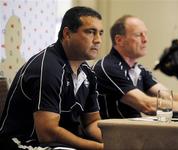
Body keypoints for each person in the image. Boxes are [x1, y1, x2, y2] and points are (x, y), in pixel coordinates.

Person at [0, 6, 104, 150]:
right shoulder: (48, 68)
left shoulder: (88, 74)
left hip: (58, 145)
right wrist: (99, 148)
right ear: (67, 34)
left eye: (100, 33)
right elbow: (47, 134)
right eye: (90, 32)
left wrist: (115, 142)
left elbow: (91, 123)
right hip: (25, 143)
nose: (98, 40)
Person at [93, 15, 178, 119]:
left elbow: (166, 96)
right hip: (113, 133)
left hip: (133, 130)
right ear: (119, 40)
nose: (145, 39)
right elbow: (148, 106)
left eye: (145, 34)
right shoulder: (108, 67)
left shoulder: (139, 69)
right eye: (139, 35)